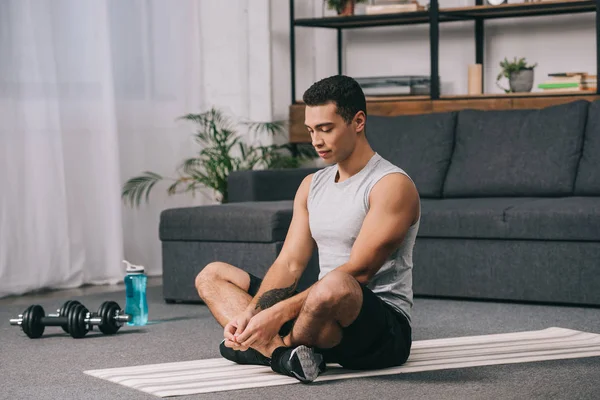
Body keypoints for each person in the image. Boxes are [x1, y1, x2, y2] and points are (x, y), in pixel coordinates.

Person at [195, 74, 421, 383]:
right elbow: (289, 263)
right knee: (212, 275)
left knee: (335, 283)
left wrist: (275, 316)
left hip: (380, 330)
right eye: (311, 130)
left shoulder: (391, 185)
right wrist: (254, 313)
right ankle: (286, 356)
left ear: (358, 121)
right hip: (317, 316)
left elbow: (360, 272)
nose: (316, 140)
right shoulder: (311, 185)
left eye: (326, 129)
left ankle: (270, 351)